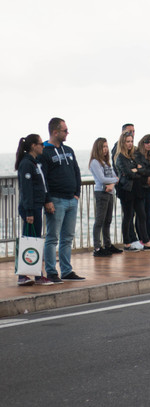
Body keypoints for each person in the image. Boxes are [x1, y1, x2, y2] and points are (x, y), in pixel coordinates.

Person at [39, 118, 85, 283]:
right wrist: (47, 200)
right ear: (55, 132)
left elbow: (76, 171)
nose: (67, 133)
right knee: (52, 237)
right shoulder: (45, 152)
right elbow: (42, 178)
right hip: (56, 200)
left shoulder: (69, 150)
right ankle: (51, 271)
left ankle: (67, 270)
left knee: (68, 237)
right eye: (65, 130)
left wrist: (77, 193)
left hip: (71, 199)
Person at [15, 134, 54, 286]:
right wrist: (29, 211)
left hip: (37, 205)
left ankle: (36, 275)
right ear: (33, 146)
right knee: (29, 241)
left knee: (35, 240)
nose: (43, 146)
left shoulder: (35, 163)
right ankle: (24, 275)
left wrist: (46, 200)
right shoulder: (27, 164)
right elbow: (27, 189)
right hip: (30, 208)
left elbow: (42, 185)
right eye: (40, 144)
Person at [114, 132, 150, 251]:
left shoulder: (132, 156)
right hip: (127, 190)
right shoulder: (120, 157)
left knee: (142, 215)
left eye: (131, 141)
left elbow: (142, 170)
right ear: (122, 142)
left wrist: (138, 171)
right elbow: (129, 173)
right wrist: (137, 171)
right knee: (128, 216)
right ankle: (127, 243)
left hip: (137, 190)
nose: (130, 144)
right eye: (127, 141)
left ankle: (146, 241)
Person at [89, 138, 122, 257]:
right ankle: (97, 247)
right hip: (101, 192)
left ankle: (108, 244)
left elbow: (114, 175)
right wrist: (115, 180)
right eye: (103, 147)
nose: (105, 149)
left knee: (108, 220)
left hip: (109, 192)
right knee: (99, 221)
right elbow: (102, 179)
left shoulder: (106, 161)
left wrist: (112, 183)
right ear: (97, 148)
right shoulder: (95, 162)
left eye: (106, 146)